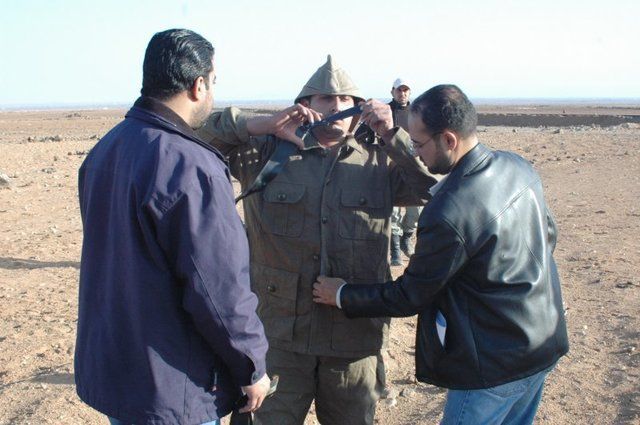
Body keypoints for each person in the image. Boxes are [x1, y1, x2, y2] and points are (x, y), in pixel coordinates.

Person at [198, 55, 436, 425]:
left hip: (353, 341)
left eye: (347, 100)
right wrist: (262, 123)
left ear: (360, 108)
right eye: (326, 98)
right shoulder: (265, 153)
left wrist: (393, 136)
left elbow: (431, 190)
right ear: (305, 105)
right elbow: (198, 135)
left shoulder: (379, 161)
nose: (337, 107)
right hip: (277, 339)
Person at [312, 84, 570, 425]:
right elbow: (548, 236)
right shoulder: (516, 166)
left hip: (493, 367)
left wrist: (342, 294)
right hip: (542, 343)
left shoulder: (449, 210)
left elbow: (410, 295)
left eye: (418, 144)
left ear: (448, 140)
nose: (416, 154)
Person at [75, 29, 270, 425]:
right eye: (213, 82)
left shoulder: (106, 150)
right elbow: (218, 287)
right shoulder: (191, 166)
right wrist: (252, 366)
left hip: (120, 369)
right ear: (198, 86)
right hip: (174, 386)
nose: (212, 93)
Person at [388, 78, 422, 265]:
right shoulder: (386, 112)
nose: (402, 93)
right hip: (391, 165)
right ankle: (394, 250)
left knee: (415, 208)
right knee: (394, 210)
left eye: (405, 90)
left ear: (410, 92)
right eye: (399, 90)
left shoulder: (417, 112)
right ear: (392, 92)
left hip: (414, 165)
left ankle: (406, 240)